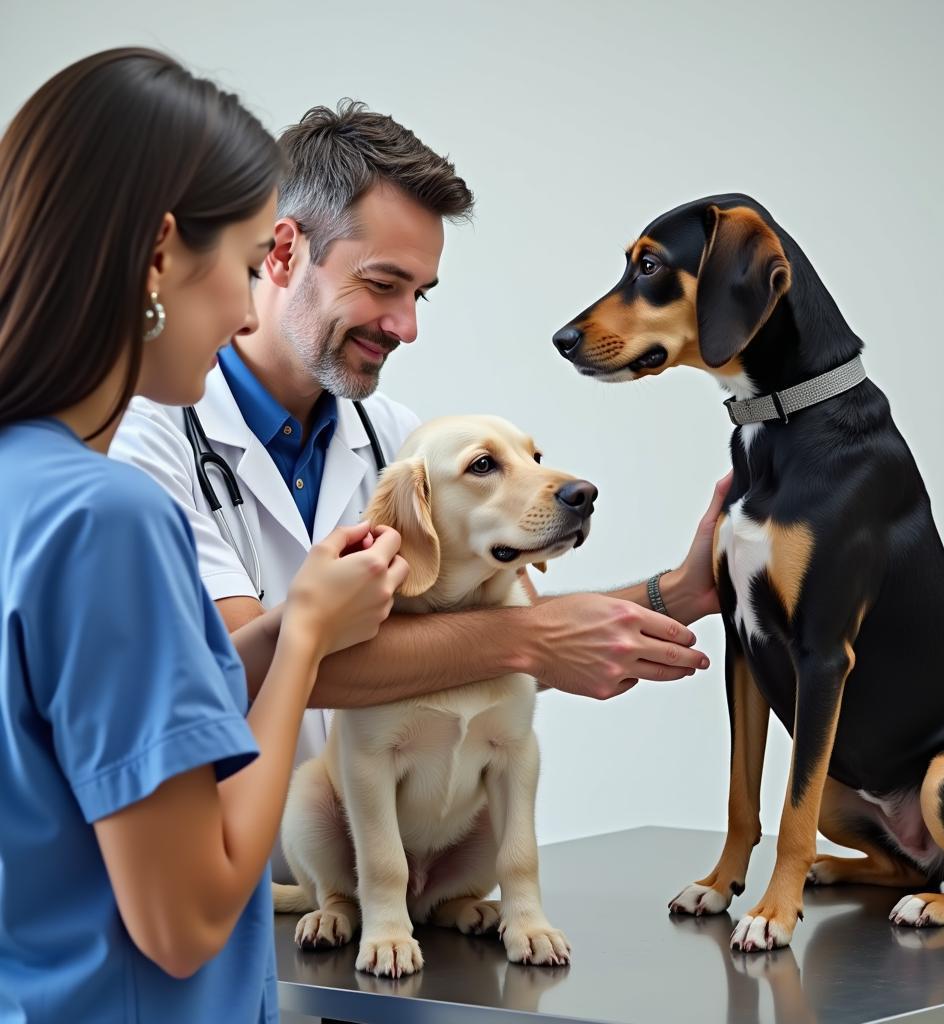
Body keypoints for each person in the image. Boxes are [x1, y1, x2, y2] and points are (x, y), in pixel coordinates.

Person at [110, 101, 728, 883]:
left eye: (420, 295)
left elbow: (493, 628)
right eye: (382, 284)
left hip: (369, 905)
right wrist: (530, 643)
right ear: (285, 252)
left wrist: (676, 593)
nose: (405, 327)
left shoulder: (391, 435)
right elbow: (272, 668)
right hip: (203, 893)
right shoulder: (148, 444)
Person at [0, 49, 408, 1022]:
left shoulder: (21, 488)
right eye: (241, 261)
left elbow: (88, 740)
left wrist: (287, 624)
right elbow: (184, 918)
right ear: (157, 254)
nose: (240, 310)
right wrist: (303, 639)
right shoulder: (108, 518)